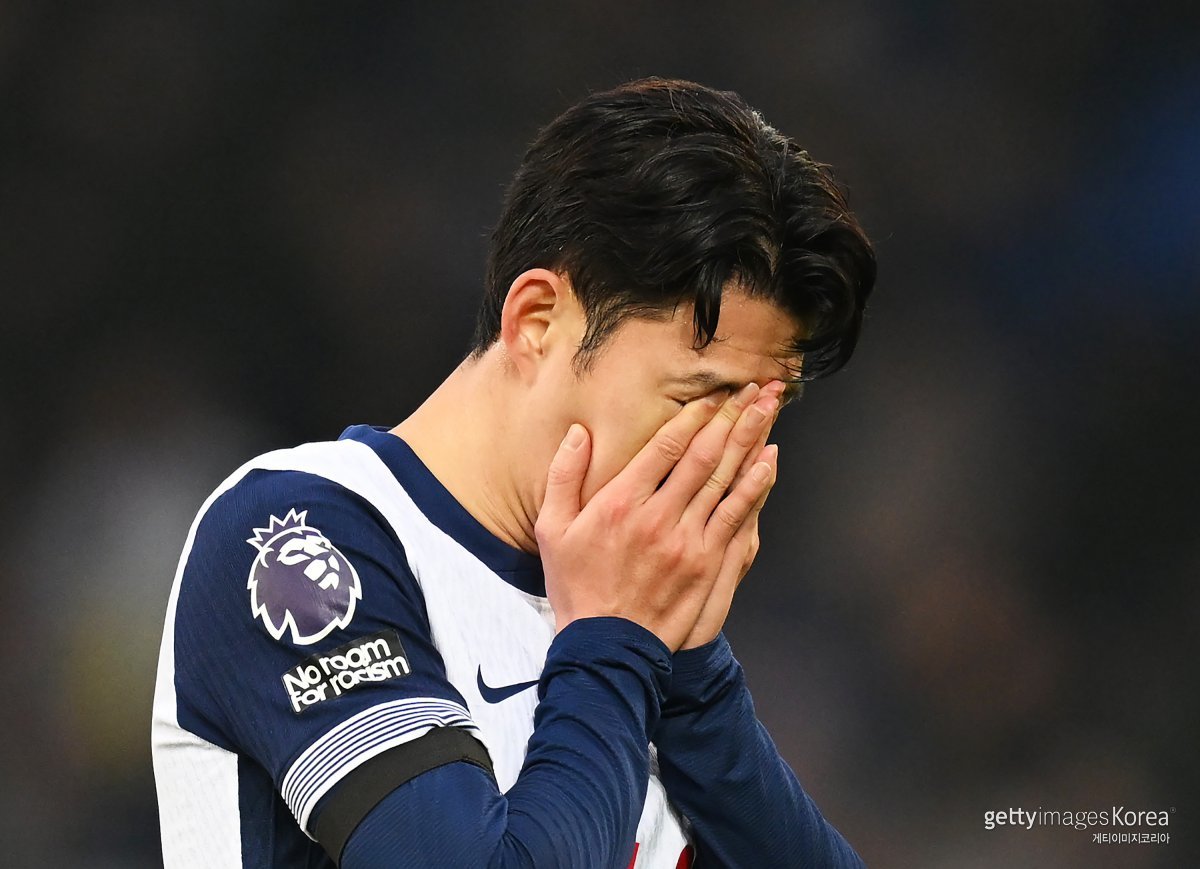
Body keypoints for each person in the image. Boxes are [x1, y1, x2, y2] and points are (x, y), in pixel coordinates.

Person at [151, 77, 876, 868]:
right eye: (696, 397)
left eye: (763, 411)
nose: (725, 452)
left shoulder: (634, 619)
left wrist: (698, 682)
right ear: (537, 320)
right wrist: (616, 640)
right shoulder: (298, 536)